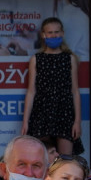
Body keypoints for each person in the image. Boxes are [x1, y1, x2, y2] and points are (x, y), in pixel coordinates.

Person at [20, 17, 82, 156]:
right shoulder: (36, 59)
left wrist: (77, 121)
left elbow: (75, 92)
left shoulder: (69, 58)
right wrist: (25, 122)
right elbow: (31, 92)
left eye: (56, 32)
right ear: (43, 35)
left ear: (62, 33)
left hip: (64, 113)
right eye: (50, 32)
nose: (53, 35)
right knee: (40, 159)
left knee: (65, 161)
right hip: (41, 113)